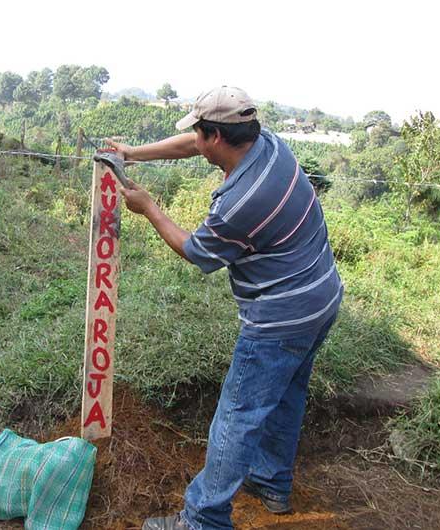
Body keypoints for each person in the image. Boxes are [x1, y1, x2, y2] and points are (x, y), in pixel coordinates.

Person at [107, 86, 343, 530]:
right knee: (286, 393)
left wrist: (150, 208)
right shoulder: (268, 145)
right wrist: (134, 152)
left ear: (215, 136)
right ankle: (271, 481)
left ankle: (203, 519)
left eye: (199, 132)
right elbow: (193, 143)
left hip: (280, 316)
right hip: (321, 296)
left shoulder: (241, 202)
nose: (195, 140)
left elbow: (197, 253)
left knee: (237, 417)